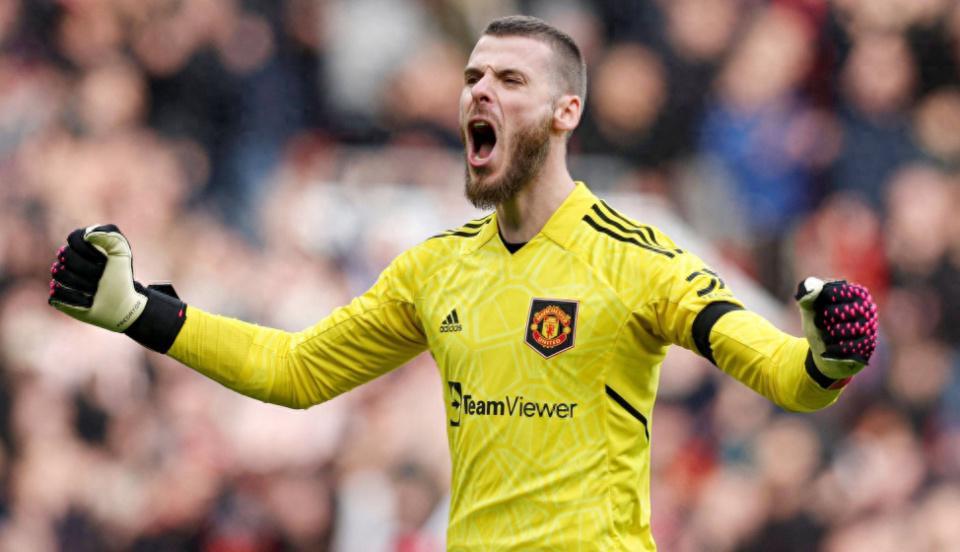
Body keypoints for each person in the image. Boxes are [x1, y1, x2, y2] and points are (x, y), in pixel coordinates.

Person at [47, 15, 879, 551]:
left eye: (510, 81)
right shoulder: (435, 267)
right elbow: (295, 372)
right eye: (473, 79)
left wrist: (827, 358)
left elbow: (783, 375)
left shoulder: (637, 258)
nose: (480, 92)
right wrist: (138, 312)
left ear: (566, 113)